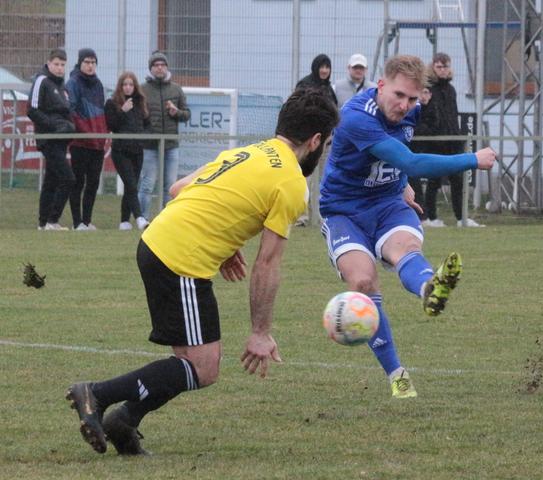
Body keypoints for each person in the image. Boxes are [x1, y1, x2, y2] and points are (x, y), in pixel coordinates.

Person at [65, 88, 339, 456]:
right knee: (203, 367)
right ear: (316, 140)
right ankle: (97, 395)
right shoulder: (291, 180)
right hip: (179, 259)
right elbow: (268, 264)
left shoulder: (248, 152)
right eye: (327, 144)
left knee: (191, 363)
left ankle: (124, 422)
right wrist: (260, 333)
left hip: (160, 243)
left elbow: (180, 189)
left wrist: (225, 240)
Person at [319, 55, 496, 398]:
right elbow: (411, 160)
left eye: (413, 99)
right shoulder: (357, 117)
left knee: (405, 250)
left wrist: (401, 184)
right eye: (399, 95)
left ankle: (430, 288)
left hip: (388, 205)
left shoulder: (410, 111)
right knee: (363, 280)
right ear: (380, 85)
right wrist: (473, 159)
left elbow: (397, 158)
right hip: (344, 212)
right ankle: (397, 374)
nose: (405, 106)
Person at [418, 53, 483, 228]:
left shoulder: (451, 89)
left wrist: (457, 135)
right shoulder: (427, 89)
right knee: (434, 181)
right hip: (435, 143)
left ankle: (461, 218)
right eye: (439, 67)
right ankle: (430, 218)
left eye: (445, 66)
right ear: (432, 67)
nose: (443, 70)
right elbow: (427, 116)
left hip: (453, 142)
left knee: (457, 180)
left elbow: (452, 115)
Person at [138, 51, 190, 220]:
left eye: (162, 65)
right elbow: (137, 115)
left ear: (166, 67)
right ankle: (143, 219)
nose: (159, 68)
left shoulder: (176, 89)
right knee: (147, 184)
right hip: (150, 146)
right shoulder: (142, 90)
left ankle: (165, 219)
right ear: (151, 69)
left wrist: (176, 112)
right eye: (156, 65)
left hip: (171, 145)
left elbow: (187, 114)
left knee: (170, 185)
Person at [28, 48, 75, 231]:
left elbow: (66, 112)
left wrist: (69, 126)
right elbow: (32, 110)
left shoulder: (62, 86)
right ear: (49, 64)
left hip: (61, 140)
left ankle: (43, 223)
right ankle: (52, 220)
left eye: (62, 65)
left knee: (52, 180)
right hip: (49, 138)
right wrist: (52, 126)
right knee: (68, 178)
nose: (59, 68)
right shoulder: (42, 81)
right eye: (56, 64)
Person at [65, 48, 108, 231]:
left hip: (97, 143)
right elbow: (71, 111)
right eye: (87, 62)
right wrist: (85, 131)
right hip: (80, 142)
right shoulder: (73, 83)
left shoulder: (98, 84)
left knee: (93, 183)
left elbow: (101, 111)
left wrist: (103, 134)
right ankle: (77, 222)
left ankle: (87, 220)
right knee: (78, 182)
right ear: (80, 63)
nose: (90, 66)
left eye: (93, 62)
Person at [105, 71, 151, 230]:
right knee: (131, 184)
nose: (128, 87)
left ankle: (124, 220)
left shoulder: (141, 102)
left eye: (131, 84)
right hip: (120, 150)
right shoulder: (112, 103)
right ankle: (139, 218)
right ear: (120, 86)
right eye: (125, 84)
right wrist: (122, 111)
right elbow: (111, 125)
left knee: (130, 185)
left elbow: (146, 122)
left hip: (137, 150)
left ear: (135, 86)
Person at [408, 84, 434, 219]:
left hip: (431, 149)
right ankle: (421, 215)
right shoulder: (412, 108)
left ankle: (430, 216)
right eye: (421, 92)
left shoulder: (434, 109)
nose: (423, 96)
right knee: (414, 183)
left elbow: (434, 128)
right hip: (413, 151)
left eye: (426, 92)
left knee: (433, 183)